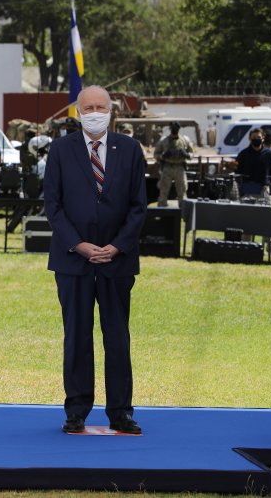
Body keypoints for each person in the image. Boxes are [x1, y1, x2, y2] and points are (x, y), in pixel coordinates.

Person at [43, 85, 147, 435]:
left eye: (100, 106)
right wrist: (79, 245)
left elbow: (138, 207)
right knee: (77, 336)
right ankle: (76, 411)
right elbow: (52, 207)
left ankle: (121, 412)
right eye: (87, 107)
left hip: (117, 261)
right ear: (77, 112)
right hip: (73, 261)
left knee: (117, 337)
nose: (94, 112)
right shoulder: (60, 150)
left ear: (111, 110)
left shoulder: (131, 150)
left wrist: (116, 246)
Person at [153, 121, 194, 207]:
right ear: (170, 129)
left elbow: (191, 153)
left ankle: (183, 213)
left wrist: (186, 155)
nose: (175, 130)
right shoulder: (163, 140)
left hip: (180, 167)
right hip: (167, 167)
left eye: (176, 128)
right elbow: (155, 154)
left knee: (182, 192)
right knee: (163, 192)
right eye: (173, 128)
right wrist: (163, 156)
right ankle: (162, 212)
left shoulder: (185, 140)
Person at [236, 128, 271, 202]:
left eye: (259, 137)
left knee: (268, 211)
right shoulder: (243, 154)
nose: (256, 139)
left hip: (264, 188)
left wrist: (267, 182)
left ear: (263, 139)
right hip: (248, 188)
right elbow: (237, 171)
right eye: (254, 137)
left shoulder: (269, 154)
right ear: (250, 138)